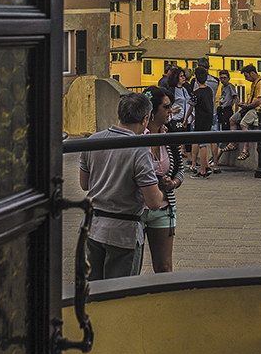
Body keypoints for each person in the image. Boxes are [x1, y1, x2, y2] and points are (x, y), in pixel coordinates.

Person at [79, 93, 167, 278]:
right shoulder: (139, 150)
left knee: (93, 292)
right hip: (123, 233)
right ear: (145, 119)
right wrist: (160, 187)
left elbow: (84, 184)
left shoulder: (92, 140)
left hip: (92, 227)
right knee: (119, 296)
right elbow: (153, 202)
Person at [140, 86, 184, 273]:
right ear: (152, 111)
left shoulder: (170, 134)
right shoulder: (136, 137)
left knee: (165, 267)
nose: (170, 111)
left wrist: (172, 183)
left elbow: (180, 171)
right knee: (132, 266)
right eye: (166, 107)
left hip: (164, 208)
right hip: (136, 209)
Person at [228, 63, 261, 160]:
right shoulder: (254, 83)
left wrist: (247, 106)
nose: (246, 79)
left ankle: (245, 150)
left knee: (243, 124)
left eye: (246, 76)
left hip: (256, 109)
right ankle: (232, 143)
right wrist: (245, 104)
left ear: (252, 73)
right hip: (249, 107)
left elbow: (258, 101)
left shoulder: (260, 83)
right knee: (232, 119)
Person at [186, 66, 215, 177]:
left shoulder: (196, 93)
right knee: (204, 143)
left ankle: (202, 170)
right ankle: (206, 166)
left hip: (200, 120)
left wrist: (186, 119)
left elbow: (191, 107)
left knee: (202, 144)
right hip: (208, 119)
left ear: (196, 80)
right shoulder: (209, 91)